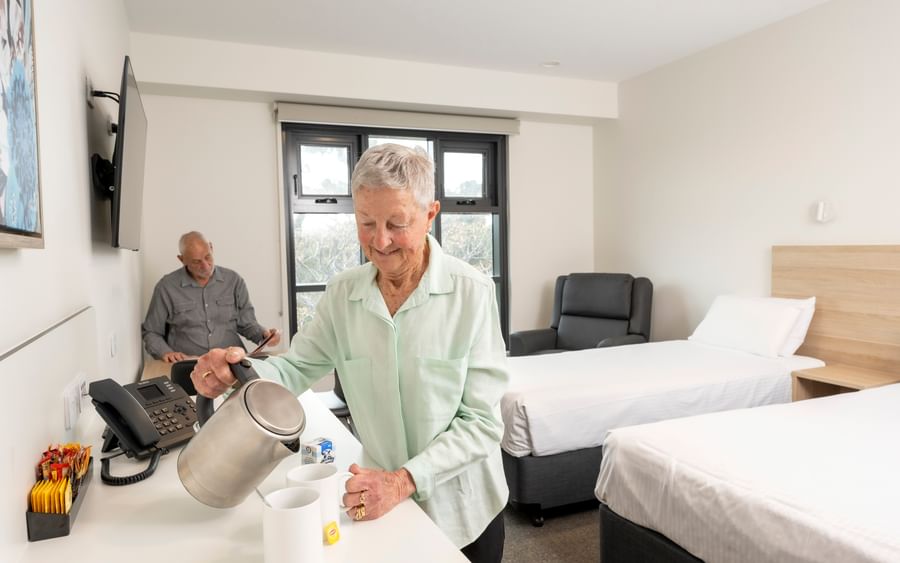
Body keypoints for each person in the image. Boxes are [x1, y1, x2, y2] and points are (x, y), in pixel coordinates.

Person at [191, 144, 509, 562]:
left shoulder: (472, 293)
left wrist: (402, 481)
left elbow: (483, 423)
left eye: (397, 223)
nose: (380, 241)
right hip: (380, 502)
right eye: (366, 223)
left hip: (464, 511)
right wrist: (238, 372)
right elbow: (294, 368)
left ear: (431, 214)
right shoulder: (343, 294)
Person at [141, 231, 281, 363]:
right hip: (189, 366)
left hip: (231, 363)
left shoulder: (234, 281)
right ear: (182, 259)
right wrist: (165, 353)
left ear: (212, 248)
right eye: (196, 262)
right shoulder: (166, 287)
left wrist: (264, 336)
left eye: (207, 257)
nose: (205, 265)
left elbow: (247, 324)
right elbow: (151, 332)